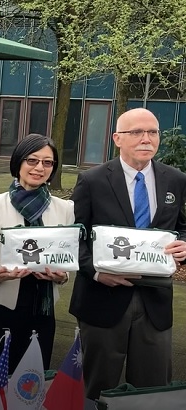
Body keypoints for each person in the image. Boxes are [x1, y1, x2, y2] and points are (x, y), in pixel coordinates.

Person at [70, 108, 186, 399]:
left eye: (152, 132)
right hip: (102, 300)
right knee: (97, 388)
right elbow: (73, 238)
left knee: (152, 390)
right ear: (117, 138)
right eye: (137, 132)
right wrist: (96, 271)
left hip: (155, 304)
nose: (146, 139)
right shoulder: (92, 180)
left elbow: (182, 228)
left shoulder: (175, 179)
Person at [0, 134, 73, 378]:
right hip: (1, 308)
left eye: (47, 163)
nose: (39, 168)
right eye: (32, 160)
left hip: (42, 312)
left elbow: (65, 257)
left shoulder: (66, 210)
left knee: (32, 385)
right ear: (18, 162)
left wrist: (62, 277)